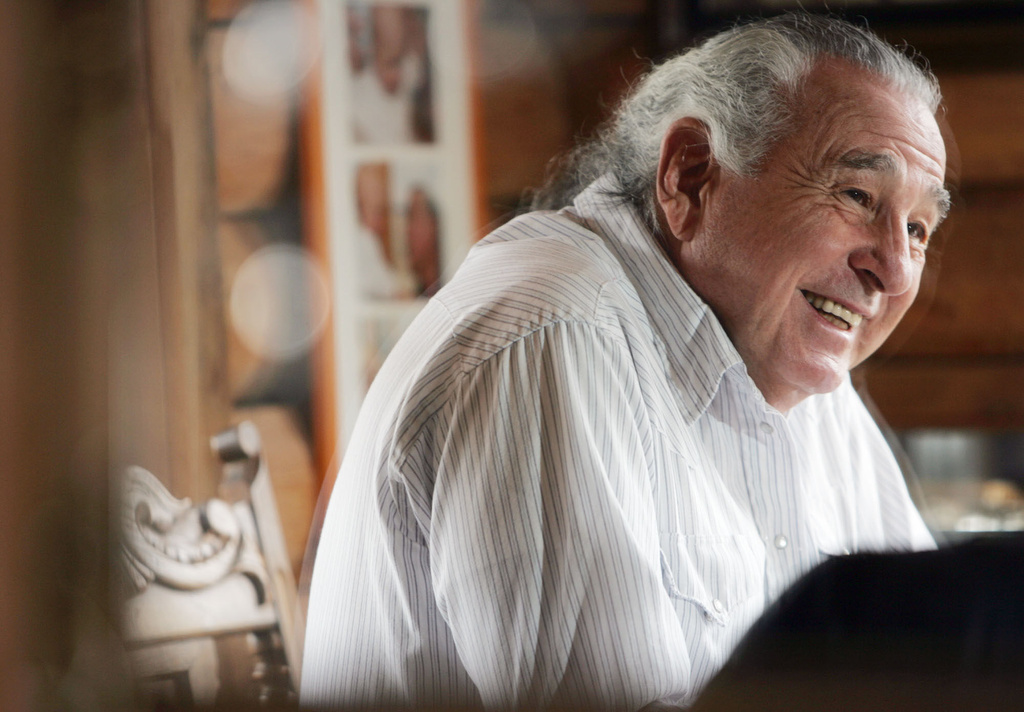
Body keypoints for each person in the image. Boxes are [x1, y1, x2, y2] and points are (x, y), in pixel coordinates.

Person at [301, 12, 950, 710]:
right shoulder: (553, 336)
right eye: (857, 196)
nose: (894, 272)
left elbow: (936, 663)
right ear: (691, 174)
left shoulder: (799, 369)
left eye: (918, 230)